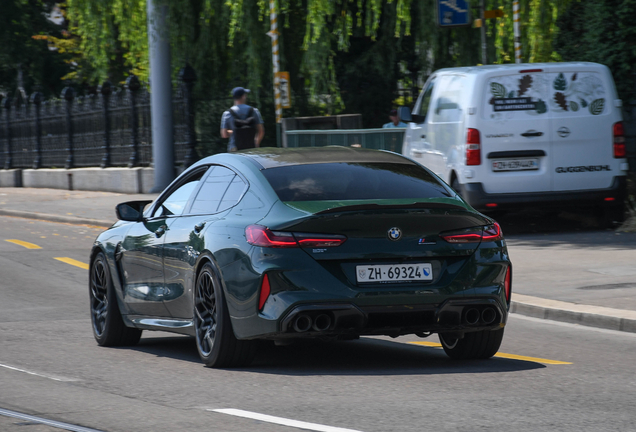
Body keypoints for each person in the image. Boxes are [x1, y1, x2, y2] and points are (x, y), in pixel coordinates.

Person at [221, 87, 265, 151]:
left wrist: (233, 131)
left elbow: (224, 134)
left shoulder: (227, 113)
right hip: (251, 148)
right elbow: (261, 131)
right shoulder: (254, 111)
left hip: (234, 148)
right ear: (243, 96)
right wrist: (256, 143)